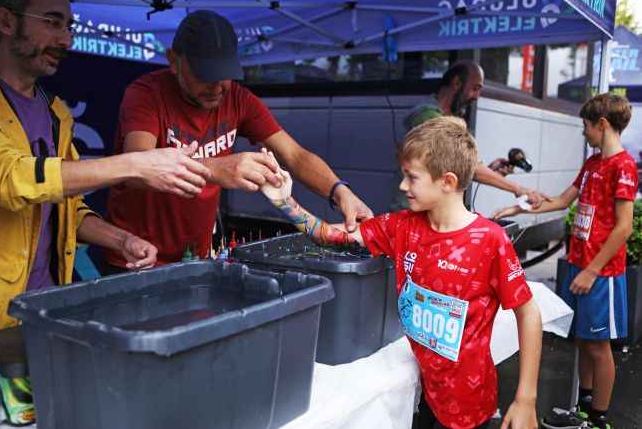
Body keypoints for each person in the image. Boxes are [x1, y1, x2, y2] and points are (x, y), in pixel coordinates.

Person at [0, 0, 211, 424]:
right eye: (53, 23)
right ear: (5, 21)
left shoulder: (54, 112)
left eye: (70, 26)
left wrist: (120, 238)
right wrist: (133, 164)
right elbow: (14, 179)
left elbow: (64, 205)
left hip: (39, 319)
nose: (66, 40)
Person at [261, 116, 543, 429]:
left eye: (411, 177)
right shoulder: (402, 227)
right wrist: (284, 202)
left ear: (447, 182)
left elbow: (528, 313)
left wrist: (526, 398)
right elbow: (330, 234)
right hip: (430, 393)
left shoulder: (490, 241)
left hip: (470, 404)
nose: (402, 185)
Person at [103, 10, 373, 270]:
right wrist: (217, 169)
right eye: (205, 75)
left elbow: (295, 155)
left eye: (225, 75)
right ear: (174, 61)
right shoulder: (145, 95)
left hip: (194, 256)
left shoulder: (238, 99)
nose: (218, 87)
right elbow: (136, 165)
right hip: (134, 254)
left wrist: (340, 191)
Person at [494, 93, 637, 429]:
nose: (583, 133)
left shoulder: (623, 166)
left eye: (586, 126)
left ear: (602, 125)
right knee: (584, 340)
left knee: (599, 346)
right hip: (579, 264)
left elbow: (624, 227)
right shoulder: (592, 164)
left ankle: (599, 419)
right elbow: (560, 201)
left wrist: (591, 270)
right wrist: (519, 208)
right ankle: (582, 411)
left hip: (600, 273)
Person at [391, 60, 547, 211]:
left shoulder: (444, 117)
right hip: (410, 215)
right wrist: (518, 189)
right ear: (457, 83)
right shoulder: (427, 116)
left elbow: (457, 167)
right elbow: (472, 168)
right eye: (475, 88)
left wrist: (490, 171)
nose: (477, 96)